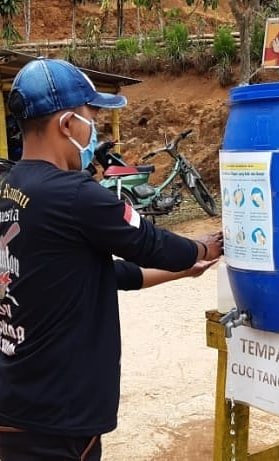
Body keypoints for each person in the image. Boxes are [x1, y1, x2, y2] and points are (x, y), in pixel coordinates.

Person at [0, 58, 223, 461]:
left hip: (17, 403)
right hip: (58, 418)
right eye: (91, 116)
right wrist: (203, 248)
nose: (94, 130)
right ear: (68, 124)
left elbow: (104, 272)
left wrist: (183, 272)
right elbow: (153, 243)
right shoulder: (75, 195)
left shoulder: (12, 185)